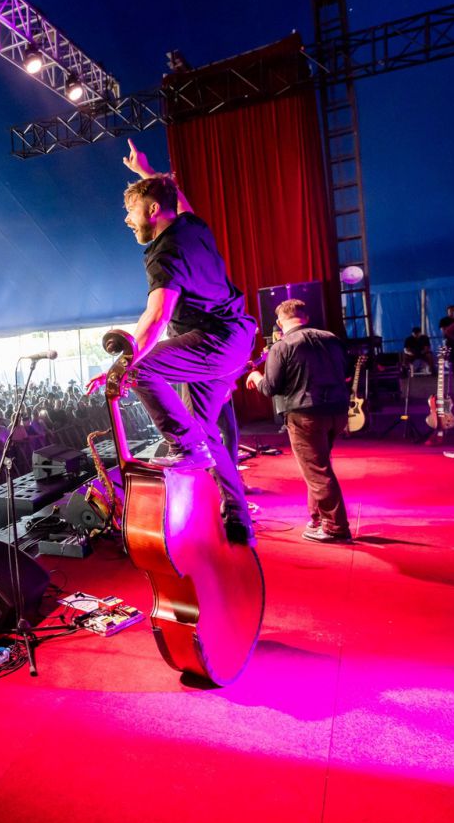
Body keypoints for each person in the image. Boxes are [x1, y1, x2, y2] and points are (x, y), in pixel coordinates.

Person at [87, 140, 256, 543]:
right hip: (233, 340)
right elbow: (177, 199)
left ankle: (185, 446)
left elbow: (156, 317)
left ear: (150, 210)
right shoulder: (193, 228)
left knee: (141, 369)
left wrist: (120, 364)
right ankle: (238, 517)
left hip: (212, 341)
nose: (127, 221)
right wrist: (148, 171)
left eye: (130, 212)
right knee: (207, 432)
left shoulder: (163, 253)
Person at [246, 300, 353, 543]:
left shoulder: (282, 346)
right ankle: (318, 518)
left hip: (305, 414)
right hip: (337, 411)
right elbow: (345, 373)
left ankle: (335, 528)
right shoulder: (331, 338)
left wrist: (255, 375)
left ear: (280, 322)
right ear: (304, 316)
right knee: (319, 465)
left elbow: (270, 388)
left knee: (317, 470)